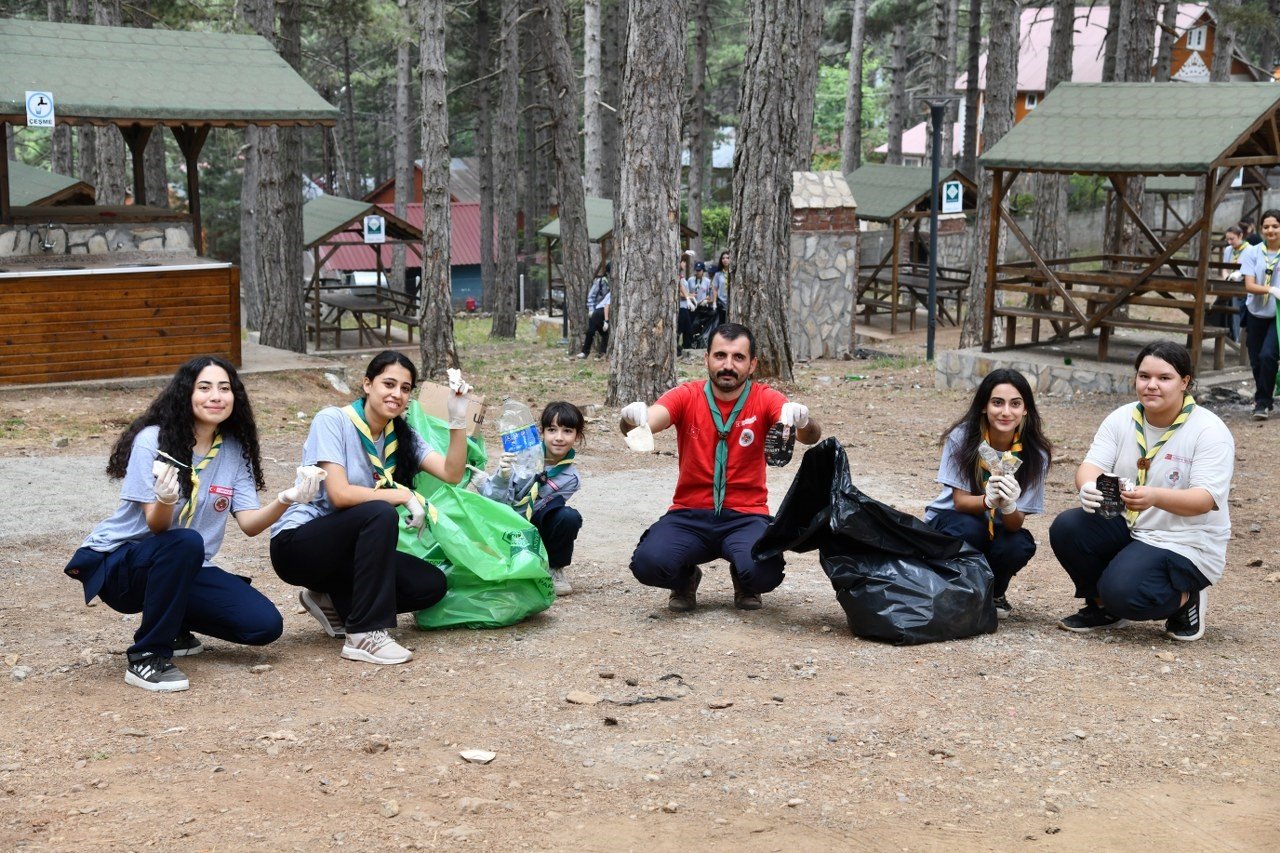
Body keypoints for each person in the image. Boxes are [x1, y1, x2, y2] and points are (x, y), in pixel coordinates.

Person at [64, 356, 308, 693]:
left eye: (225, 388)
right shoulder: (154, 440)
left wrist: (288, 498)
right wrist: (165, 500)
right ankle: (147, 655)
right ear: (185, 394)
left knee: (264, 625)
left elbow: (250, 524)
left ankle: (175, 624)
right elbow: (157, 524)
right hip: (123, 565)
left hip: (184, 563)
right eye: (204, 387)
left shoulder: (234, 449)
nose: (216, 396)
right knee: (185, 541)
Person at [269, 350, 471, 666]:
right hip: (300, 544)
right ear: (367, 384)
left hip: (346, 554)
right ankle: (365, 634)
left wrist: (459, 419)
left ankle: (330, 599)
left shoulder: (401, 435)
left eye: (405, 389)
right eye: (388, 384)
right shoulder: (333, 420)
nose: (397, 394)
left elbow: (452, 473)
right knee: (379, 511)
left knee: (429, 584)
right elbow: (339, 495)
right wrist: (402, 496)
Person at [620, 323, 822, 612]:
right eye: (720, 355)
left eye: (738, 357)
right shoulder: (686, 395)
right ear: (706, 359)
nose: (728, 365)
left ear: (752, 364)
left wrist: (802, 421)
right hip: (689, 514)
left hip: (745, 516)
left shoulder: (765, 398)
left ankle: (744, 577)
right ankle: (686, 577)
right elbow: (647, 421)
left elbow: (809, 436)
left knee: (763, 573)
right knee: (648, 564)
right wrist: (631, 419)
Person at [1049, 341, 1233, 642]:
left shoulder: (1209, 431)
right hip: (1132, 526)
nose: (1152, 386)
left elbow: (1204, 500)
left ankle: (1186, 598)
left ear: (1185, 382)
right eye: (1144, 376)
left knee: (1123, 591)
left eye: (1164, 378)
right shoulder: (1122, 418)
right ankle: (1103, 608)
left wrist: (1155, 496)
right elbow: (1089, 467)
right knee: (1068, 527)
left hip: (1184, 541)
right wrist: (1088, 486)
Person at [923, 369, 1052, 619]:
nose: (1006, 412)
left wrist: (1009, 506)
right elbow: (959, 503)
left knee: (1019, 543)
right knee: (971, 529)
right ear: (984, 406)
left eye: (1015, 404)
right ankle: (958, 589)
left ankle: (994, 592)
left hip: (1000, 526)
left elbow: (1015, 524)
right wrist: (987, 500)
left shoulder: (1036, 454)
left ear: (1025, 409)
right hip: (952, 521)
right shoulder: (963, 437)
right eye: (997, 403)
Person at [475, 401, 585, 596]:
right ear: (542, 432)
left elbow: (545, 509)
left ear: (577, 436)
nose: (559, 438)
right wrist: (502, 477)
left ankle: (554, 568)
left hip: (534, 521)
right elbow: (496, 502)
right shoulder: (521, 455)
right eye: (552, 430)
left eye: (567, 431)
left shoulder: (570, 477)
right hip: (504, 519)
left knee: (568, 516)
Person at [1241, 209, 1280, 420]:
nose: (1270, 230)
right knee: (1256, 360)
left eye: (1275, 226)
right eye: (1266, 226)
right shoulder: (1252, 252)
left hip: (1277, 315)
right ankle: (1265, 394)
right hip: (1256, 311)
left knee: (1268, 355)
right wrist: (1271, 290)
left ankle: (1262, 402)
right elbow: (1249, 285)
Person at [577, 262, 611, 360]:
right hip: (598, 311)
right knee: (591, 331)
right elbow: (591, 296)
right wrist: (591, 309)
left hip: (606, 312)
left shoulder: (615, 282)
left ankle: (602, 353)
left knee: (605, 333)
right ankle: (585, 352)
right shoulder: (600, 282)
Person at [579, 287, 611, 359]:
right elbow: (606, 306)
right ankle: (587, 352)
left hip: (598, 312)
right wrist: (606, 321)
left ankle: (597, 353)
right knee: (594, 332)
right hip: (599, 312)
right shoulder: (612, 294)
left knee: (602, 333)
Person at [711, 250, 731, 327]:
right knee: (722, 324)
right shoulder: (718, 274)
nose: (725, 260)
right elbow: (715, 288)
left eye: (727, 258)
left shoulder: (734, 273)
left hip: (731, 302)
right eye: (723, 258)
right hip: (721, 302)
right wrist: (714, 302)